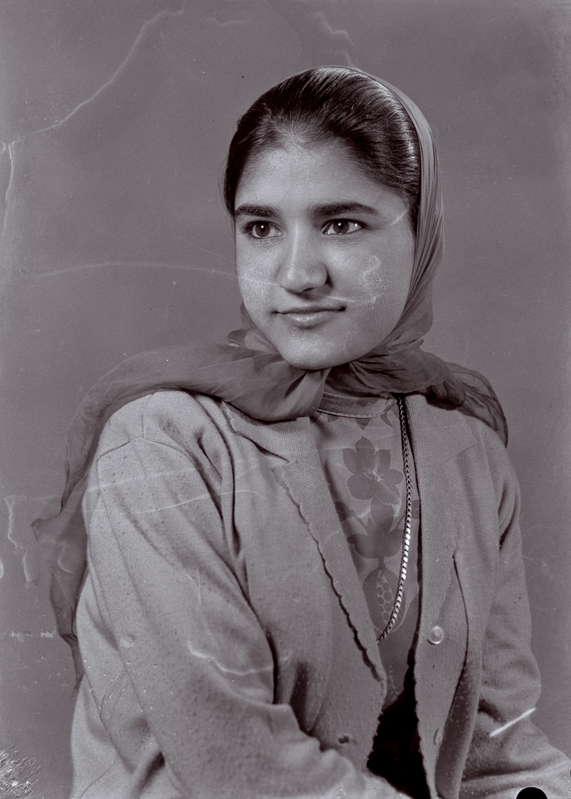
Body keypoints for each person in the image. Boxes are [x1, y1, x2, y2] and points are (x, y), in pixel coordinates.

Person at [36, 67, 570, 799]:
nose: (296, 274)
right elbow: (240, 763)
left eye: (341, 224)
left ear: (421, 233)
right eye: (260, 228)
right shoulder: (161, 446)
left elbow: (498, 749)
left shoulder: (467, 452)